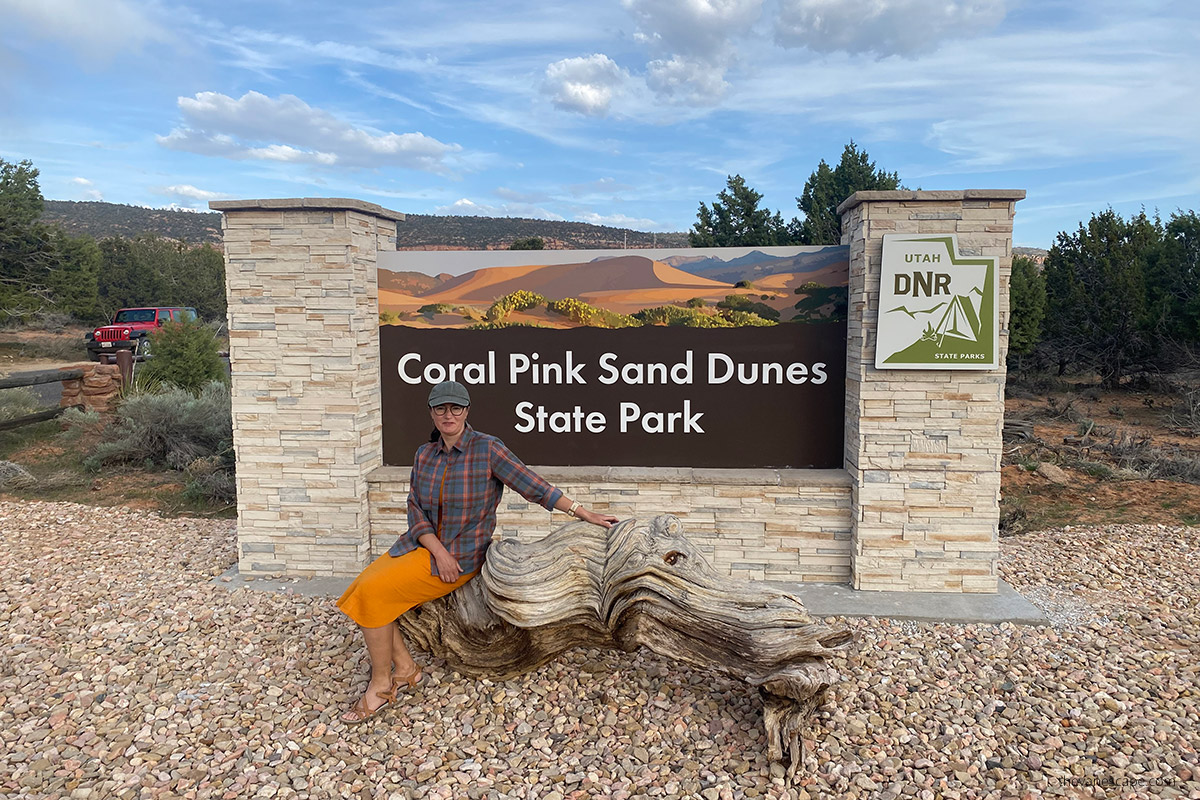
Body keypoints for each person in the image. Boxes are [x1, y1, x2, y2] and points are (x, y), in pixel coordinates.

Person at [336, 380, 618, 723]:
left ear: (467, 411)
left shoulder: (487, 450)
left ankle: (382, 683)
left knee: (370, 591)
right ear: (432, 413)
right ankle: (407, 669)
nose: (448, 415)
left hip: (463, 557)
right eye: (441, 408)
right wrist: (437, 550)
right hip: (424, 547)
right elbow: (415, 509)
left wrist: (584, 512)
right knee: (363, 587)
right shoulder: (424, 454)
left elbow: (535, 487)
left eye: (456, 408)